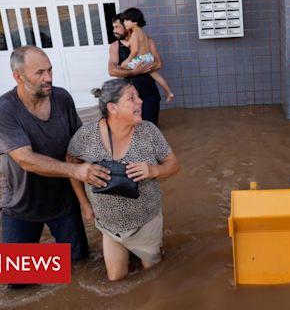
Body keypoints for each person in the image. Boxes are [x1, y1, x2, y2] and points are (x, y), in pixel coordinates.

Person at [0, 46, 111, 264]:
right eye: (39, 73)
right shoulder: (5, 110)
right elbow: (26, 160)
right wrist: (77, 171)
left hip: (63, 202)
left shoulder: (62, 98)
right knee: (20, 282)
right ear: (18, 76)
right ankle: (49, 268)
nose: (48, 78)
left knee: (78, 267)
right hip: (21, 206)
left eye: (50, 70)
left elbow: (79, 143)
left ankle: (55, 269)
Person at [67, 79, 179, 281]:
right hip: (109, 226)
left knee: (153, 275)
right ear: (112, 107)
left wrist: (153, 170)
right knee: (116, 279)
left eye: (138, 96)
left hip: (145, 221)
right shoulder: (86, 136)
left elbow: (173, 164)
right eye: (132, 98)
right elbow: (71, 166)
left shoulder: (149, 131)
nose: (141, 101)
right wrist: (85, 204)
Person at [108, 14, 164, 125]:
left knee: (151, 127)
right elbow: (112, 71)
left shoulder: (146, 40)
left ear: (127, 26)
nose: (114, 31)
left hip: (149, 93)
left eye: (117, 27)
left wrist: (146, 67)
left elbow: (159, 64)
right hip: (128, 96)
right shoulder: (115, 46)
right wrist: (134, 72)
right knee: (132, 129)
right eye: (114, 27)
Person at [119, 8, 174, 103]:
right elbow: (128, 44)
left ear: (135, 21)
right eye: (123, 20)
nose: (124, 23)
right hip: (148, 57)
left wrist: (128, 60)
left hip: (140, 59)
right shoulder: (142, 33)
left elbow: (135, 50)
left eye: (126, 20)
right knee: (155, 76)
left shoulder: (135, 34)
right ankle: (169, 92)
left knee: (122, 67)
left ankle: (121, 96)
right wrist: (121, 41)